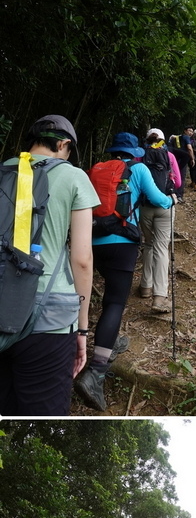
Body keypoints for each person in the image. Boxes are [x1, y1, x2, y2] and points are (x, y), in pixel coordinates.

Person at [0, 115, 97, 416]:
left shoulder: (4, 169)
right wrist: (82, 330)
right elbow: (81, 259)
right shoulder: (73, 176)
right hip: (50, 318)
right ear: (65, 144)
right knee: (42, 415)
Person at [75, 132, 176, 410]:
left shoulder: (94, 169)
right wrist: (172, 201)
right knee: (115, 303)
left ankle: (102, 343)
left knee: (104, 295)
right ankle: (95, 372)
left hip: (92, 242)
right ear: (133, 151)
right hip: (122, 241)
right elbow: (157, 198)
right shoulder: (138, 168)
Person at [139, 128, 182, 313]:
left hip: (145, 207)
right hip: (165, 206)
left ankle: (145, 287)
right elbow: (178, 183)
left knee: (148, 244)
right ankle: (159, 297)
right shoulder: (170, 156)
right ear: (164, 140)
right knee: (161, 248)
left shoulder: (140, 157)